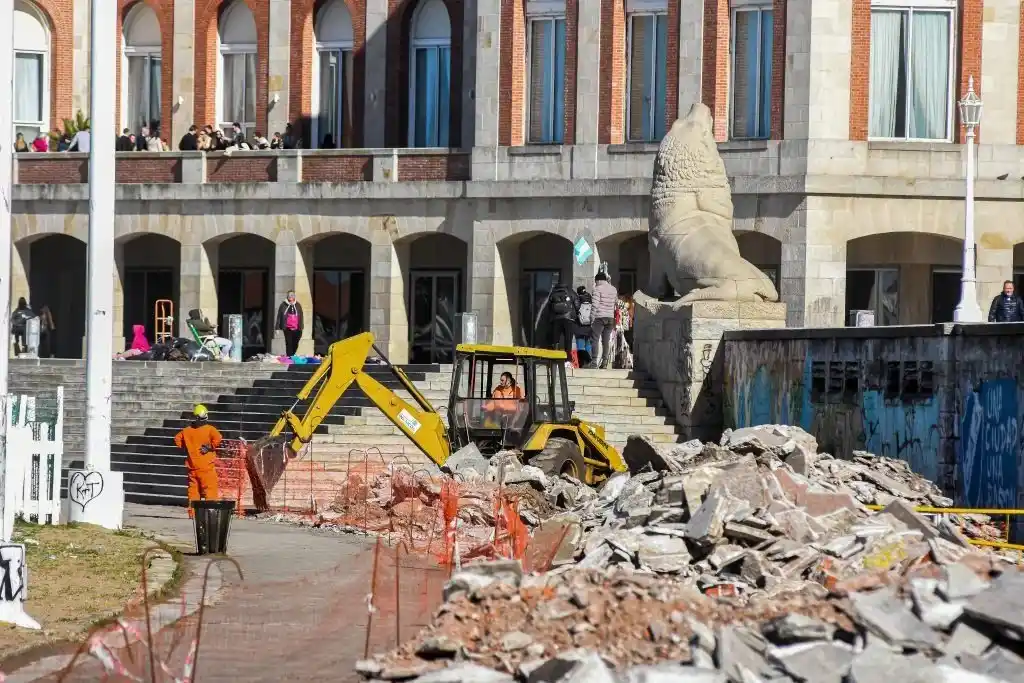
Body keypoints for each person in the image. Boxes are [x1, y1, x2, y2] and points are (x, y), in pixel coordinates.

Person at [174, 404, 222, 518]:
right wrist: (210, 447)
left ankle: (193, 514)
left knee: (193, 492)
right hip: (206, 467)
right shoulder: (210, 429)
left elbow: (177, 439)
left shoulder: (186, 431)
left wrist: (186, 447)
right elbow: (218, 438)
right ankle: (211, 513)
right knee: (210, 491)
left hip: (192, 468)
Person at [590, 271, 619, 369]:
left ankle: (594, 362)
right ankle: (605, 362)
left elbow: (594, 305)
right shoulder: (613, 289)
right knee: (606, 340)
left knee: (595, 339)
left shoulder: (597, 289)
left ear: (597, 280)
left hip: (599, 317)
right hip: (610, 318)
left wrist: (591, 318)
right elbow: (616, 303)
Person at [546, 281, 578, 352]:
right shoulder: (570, 292)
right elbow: (577, 305)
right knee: (568, 339)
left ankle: (555, 357)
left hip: (556, 319)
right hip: (568, 318)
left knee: (555, 340)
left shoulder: (553, 293)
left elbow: (549, 306)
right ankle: (568, 359)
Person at [276, 291, 304, 356]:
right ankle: (289, 356)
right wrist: (277, 327)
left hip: (297, 328)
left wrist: (301, 327)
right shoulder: (283, 305)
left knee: (296, 342)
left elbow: (301, 316)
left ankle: (292, 354)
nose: (291, 296)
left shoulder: (298, 305)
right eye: (289, 295)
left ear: (294, 296)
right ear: (287, 296)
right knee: (289, 343)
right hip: (287, 327)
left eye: (292, 295)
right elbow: (279, 316)